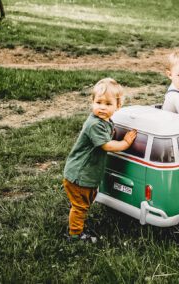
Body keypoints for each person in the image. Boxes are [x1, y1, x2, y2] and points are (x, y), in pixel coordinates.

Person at [63, 78, 137, 242]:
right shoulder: (94, 124)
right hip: (79, 174)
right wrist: (125, 143)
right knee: (80, 205)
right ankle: (75, 235)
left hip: (85, 173)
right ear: (92, 102)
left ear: (118, 106)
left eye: (108, 104)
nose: (102, 107)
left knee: (84, 202)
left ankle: (77, 223)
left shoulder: (105, 121)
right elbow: (107, 146)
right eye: (98, 102)